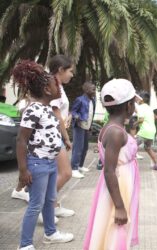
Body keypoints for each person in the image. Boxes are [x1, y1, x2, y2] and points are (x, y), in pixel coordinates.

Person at [13, 60, 74, 250]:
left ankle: (51, 233)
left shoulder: (47, 109)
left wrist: (62, 139)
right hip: (37, 164)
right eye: (55, 84)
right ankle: (25, 245)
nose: (59, 87)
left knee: (49, 200)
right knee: (35, 205)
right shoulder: (33, 110)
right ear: (47, 90)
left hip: (49, 162)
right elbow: (21, 141)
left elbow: (47, 132)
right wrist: (23, 170)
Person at [83, 78, 141, 250]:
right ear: (128, 106)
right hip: (118, 186)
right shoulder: (116, 132)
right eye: (133, 103)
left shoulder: (113, 127)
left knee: (114, 229)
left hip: (120, 184)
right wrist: (120, 206)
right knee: (115, 230)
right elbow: (109, 170)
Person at [48, 55, 75, 217]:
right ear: (60, 70)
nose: (72, 75)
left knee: (55, 174)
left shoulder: (58, 85)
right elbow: (56, 112)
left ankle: (54, 205)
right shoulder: (53, 85)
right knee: (66, 173)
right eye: (70, 71)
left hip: (55, 134)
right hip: (53, 135)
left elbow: (61, 111)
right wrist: (66, 137)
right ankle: (45, 207)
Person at [70, 81, 96, 177]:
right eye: (93, 89)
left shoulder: (93, 101)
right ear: (86, 90)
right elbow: (73, 111)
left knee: (85, 147)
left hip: (87, 127)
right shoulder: (80, 100)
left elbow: (91, 114)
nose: (94, 91)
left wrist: (90, 125)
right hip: (79, 126)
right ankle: (74, 168)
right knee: (78, 148)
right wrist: (78, 117)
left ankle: (80, 166)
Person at [135, 91, 157, 170]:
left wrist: (134, 124)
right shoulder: (149, 108)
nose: (136, 99)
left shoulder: (141, 107)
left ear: (141, 100)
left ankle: (128, 165)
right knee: (148, 148)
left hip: (144, 132)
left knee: (132, 146)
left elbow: (141, 120)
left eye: (138, 98)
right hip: (151, 132)